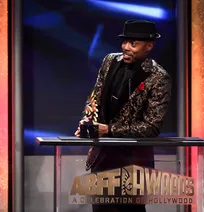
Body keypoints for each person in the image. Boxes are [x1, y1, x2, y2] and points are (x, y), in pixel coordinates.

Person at [75, 20, 172, 212]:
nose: (126, 48)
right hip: (102, 158)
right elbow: (95, 96)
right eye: (124, 42)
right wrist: (88, 120)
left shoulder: (159, 78)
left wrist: (109, 130)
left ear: (149, 46)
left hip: (133, 163)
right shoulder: (110, 61)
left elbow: (151, 127)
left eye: (133, 44)